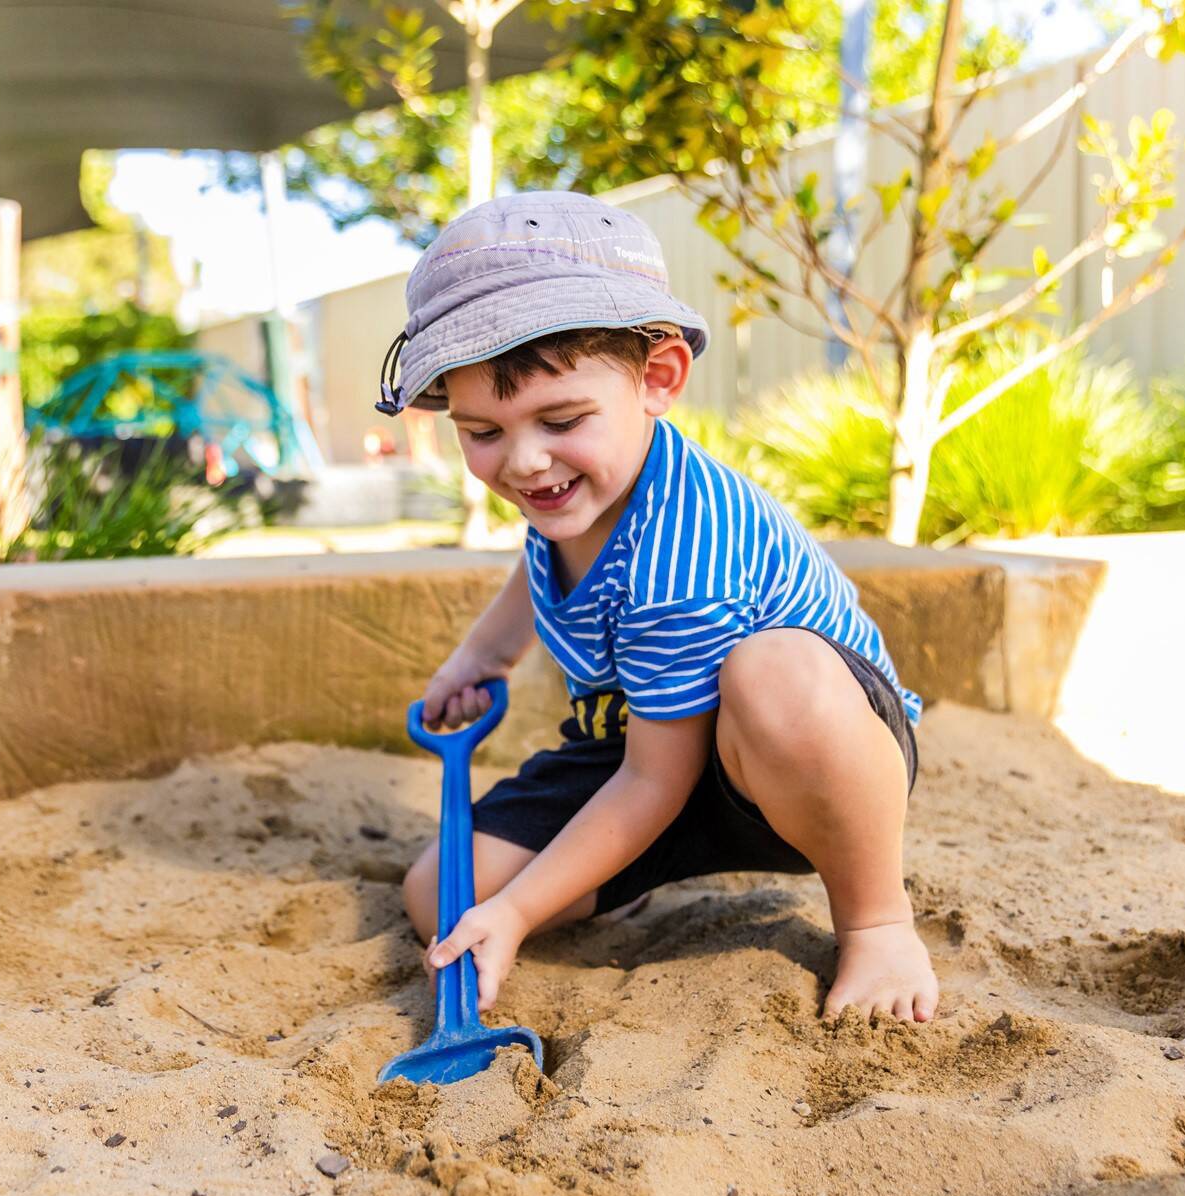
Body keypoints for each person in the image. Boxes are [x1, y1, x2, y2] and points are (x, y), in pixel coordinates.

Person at [375, 191, 936, 1023]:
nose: (525, 462)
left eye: (560, 418)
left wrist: (523, 911)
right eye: (482, 432)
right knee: (439, 899)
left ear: (659, 379)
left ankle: (877, 917)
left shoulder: (685, 554)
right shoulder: (578, 491)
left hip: (794, 760)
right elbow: (539, 575)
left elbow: (654, 780)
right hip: (643, 747)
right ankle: (626, 877)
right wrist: (480, 660)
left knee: (773, 673)